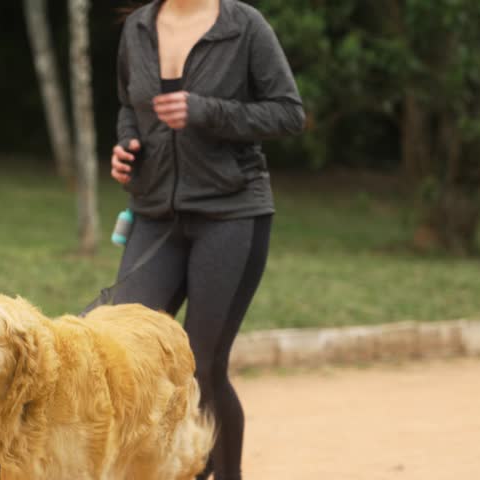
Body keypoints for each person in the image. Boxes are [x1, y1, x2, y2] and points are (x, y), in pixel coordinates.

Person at [101, 0, 304, 478]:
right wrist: (127, 148)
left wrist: (205, 110)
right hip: (155, 215)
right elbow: (130, 107)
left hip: (232, 211)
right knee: (127, 349)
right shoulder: (138, 27)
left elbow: (288, 114)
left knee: (202, 363)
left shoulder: (244, 26)